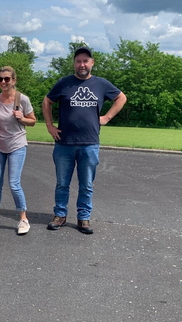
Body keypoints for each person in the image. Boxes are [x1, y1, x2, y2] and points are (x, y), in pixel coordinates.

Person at [42, 47, 127, 234]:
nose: (82, 64)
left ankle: (83, 218)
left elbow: (121, 98)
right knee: (62, 183)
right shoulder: (64, 83)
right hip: (64, 143)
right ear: (74, 63)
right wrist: (49, 125)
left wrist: (106, 118)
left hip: (89, 143)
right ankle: (60, 215)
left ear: (92, 63)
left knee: (86, 184)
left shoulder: (101, 84)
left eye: (85, 61)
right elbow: (47, 101)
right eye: (78, 61)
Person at [0, 66, 36, 235]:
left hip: (17, 145)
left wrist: (23, 118)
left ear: (14, 80)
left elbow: (33, 121)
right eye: (0, 79)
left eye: (7, 79)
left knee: (14, 184)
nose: (3, 82)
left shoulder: (22, 99)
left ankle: (23, 219)